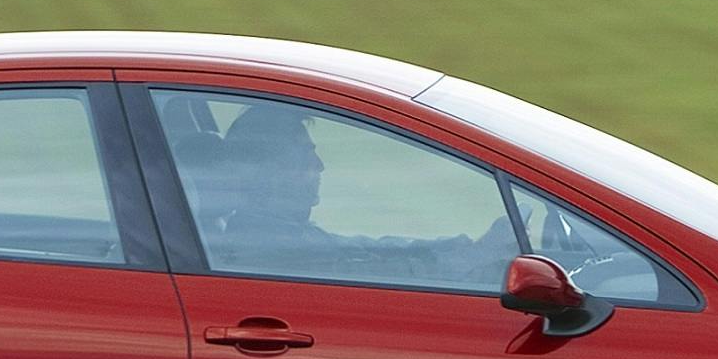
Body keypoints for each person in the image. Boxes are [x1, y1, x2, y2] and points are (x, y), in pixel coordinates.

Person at [208, 104, 517, 288]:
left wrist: (461, 246)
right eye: (303, 158)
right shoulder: (271, 248)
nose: (319, 166)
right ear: (265, 173)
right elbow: (380, 271)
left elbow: (364, 248)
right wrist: (474, 256)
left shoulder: (268, 234)